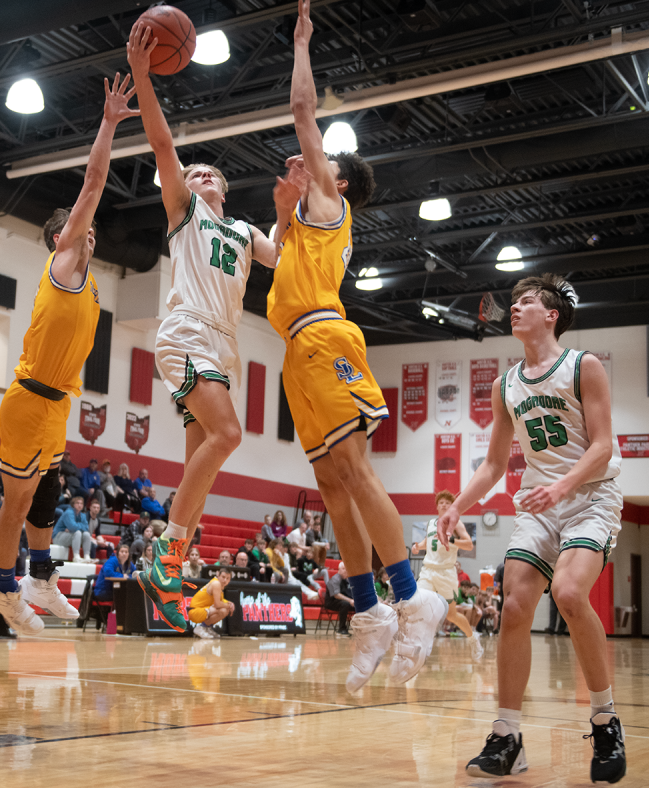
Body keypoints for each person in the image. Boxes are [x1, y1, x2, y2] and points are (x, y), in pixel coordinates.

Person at [264, 0, 446, 692]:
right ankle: (367, 611)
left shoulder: (331, 206)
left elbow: (304, 114)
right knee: (331, 484)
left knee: (354, 468)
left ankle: (411, 595)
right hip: (296, 353)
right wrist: (280, 213)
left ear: (338, 183)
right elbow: (268, 258)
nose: (308, 162)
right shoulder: (303, 226)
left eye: (320, 165)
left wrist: (303, 43)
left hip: (325, 337)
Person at [437, 273, 626, 783]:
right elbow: (495, 465)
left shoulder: (583, 365)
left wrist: (562, 488)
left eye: (525, 302)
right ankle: (507, 735)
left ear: (551, 315)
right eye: (515, 303)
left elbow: (603, 445)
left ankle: (606, 720)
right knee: (515, 606)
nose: (514, 309)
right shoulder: (505, 384)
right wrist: (457, 504)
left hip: (590, 496)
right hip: (539, 505)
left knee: (567, 592)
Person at [127, 25, 281, 633]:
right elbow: (164, 145)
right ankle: (164, 558)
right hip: (188, 329)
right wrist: (143, 76)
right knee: (229, 435)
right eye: (194, 172)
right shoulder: (184, 214)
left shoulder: (243, 232)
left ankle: (170, 567)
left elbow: (284, 256)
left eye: (210, 172)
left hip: (226, 341)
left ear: (226, 189)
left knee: (205, 463)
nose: (201, 174)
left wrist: (292, 201)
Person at [0, 73, 138, 636]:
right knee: (18, 502)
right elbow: (94, 181)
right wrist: (109, 122)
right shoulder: (64, 264)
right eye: (80, 229)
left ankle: (40, 576)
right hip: (28, 400)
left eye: (92, 231)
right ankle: (4, 588)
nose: (89, 234)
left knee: (48, 492)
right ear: (61, 239)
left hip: (57, 405)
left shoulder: (93, 285)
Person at [411, 491, 483, 659]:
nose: (444, 505)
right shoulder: (430, 524)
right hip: (428, 570)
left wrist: (451, 541)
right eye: (441, 502)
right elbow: (427, 542)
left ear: (452, 506)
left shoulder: (456, 523)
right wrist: (417, 547)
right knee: (418, 603)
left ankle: (473, 639)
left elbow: (469, 545)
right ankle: (420, 644)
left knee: (451, 615)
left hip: (446, 572)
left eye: (447, 503)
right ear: (437, 506)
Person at [188, 566, 235, 639]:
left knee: (224, 609)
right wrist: (229, 606)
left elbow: (221, 601)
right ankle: (201, 628)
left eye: (227, 578)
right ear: (218, 575)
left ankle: (206, 628)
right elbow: (217, 605)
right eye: (223, 577)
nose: (225, 580)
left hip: (200, 610)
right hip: (195, 611)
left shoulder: (217, 584)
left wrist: (229, 603)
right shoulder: (216, 584)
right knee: (223, 610)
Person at [52, 496, 95, 562]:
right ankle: (76, 556)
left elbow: (86, 528)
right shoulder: (68, 513)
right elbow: (72, 526)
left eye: (81, 503)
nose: (79, 505)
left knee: (86, 534)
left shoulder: (83, 515)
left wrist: (73, 529)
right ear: (73, 504)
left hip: (69, 535)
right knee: (78, 532)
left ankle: (87, 556)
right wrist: (77, 527)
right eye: (77, 503)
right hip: (58, 537)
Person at [325, 562, 353, 636]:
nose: (345, 571)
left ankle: (362, 628)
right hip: (331, 602)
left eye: (347, 569)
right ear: (339, 570)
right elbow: (336, 595)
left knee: (360, 604)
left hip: (342, 601)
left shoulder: (347, 580)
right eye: (343, 569)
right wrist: (350, 600)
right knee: (345, 604)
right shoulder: (334, 579)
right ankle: (342, 628)